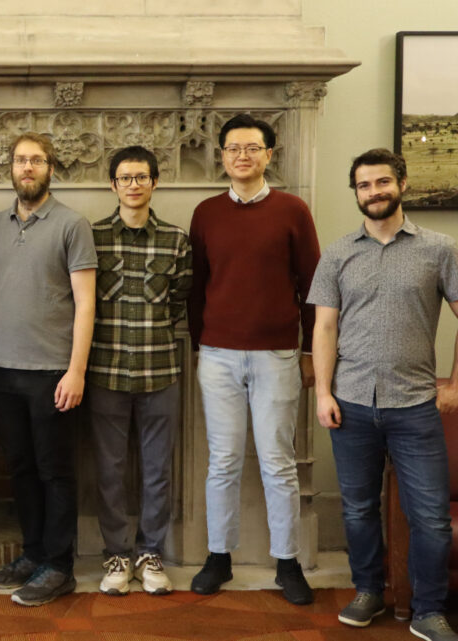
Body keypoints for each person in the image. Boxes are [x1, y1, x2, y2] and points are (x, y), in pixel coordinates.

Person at [310, 148, 458, 641]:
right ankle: (368, 590)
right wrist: (323, 394)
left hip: (415, 405)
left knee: (431, 518)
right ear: (355, 192)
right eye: (363, 185)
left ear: (402, 183)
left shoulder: (440, 249)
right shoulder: (337, 252)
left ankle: (429, 609)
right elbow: (325, 327)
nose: (373, 192)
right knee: (357, 508)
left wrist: (455, 384)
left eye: (381, 183)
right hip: (350, 403)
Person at [187, 113, 320, 604]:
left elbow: (313, 284)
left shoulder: (293, 210)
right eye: (233, 148)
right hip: (218, 355)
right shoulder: (206, 213)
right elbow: (197, 287)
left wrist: (309, 352)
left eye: (252, 147)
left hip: (278, 356)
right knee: (222, 461)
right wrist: (203, 342)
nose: (242, 156)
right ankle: (218, 557)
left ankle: (287, 564)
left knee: (277, 462)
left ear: (268, 154)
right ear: (221, 157)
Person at [0, 132, 97, 606]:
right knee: (20, 468)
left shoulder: (71, 224)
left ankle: (59, 566)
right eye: (21, 160)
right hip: (2, 372)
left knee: (54, 471)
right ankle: (33, 553)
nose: (28, 167)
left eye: (37, 160)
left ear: (50, 168)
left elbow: (85, 304)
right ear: (11, 168)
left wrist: (76, 371)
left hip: (52, 373)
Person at [89, 146, 191, 596]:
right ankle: (115, 555)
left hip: (160, 370)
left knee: (157, 470)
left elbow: (180, 299)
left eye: (141, 177)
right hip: (104, 372)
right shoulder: (90, 237)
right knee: (109, 470)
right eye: (125, 178)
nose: (133, 184)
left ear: (154, 183)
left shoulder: (175, 239)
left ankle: (151, 555)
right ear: (113, 185)